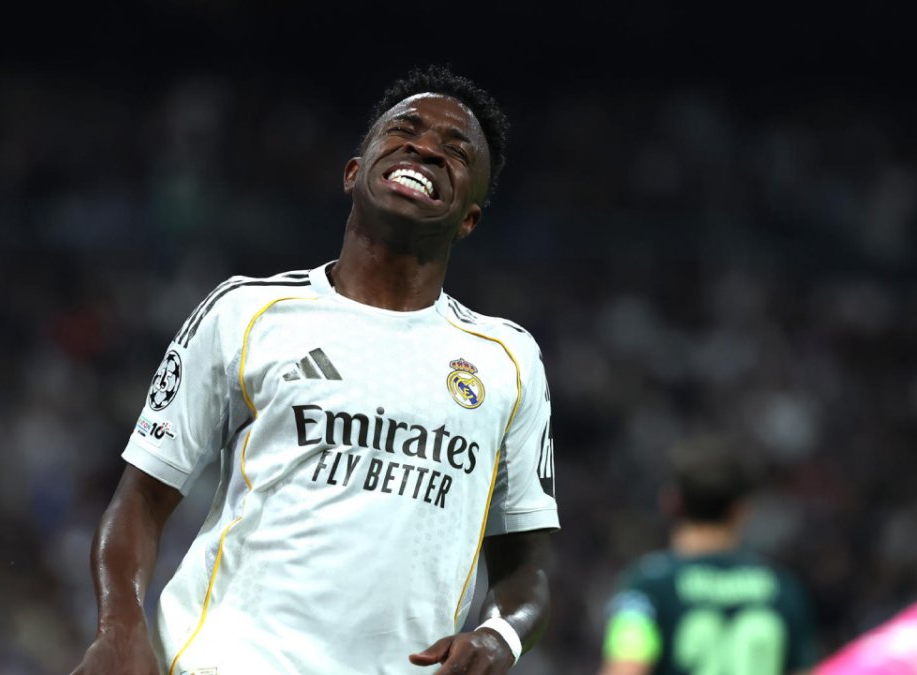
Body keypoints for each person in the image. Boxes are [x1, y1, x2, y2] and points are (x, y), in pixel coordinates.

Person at [71, 65, 559, 675]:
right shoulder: (245, 313)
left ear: (469, 219)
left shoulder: (507, 360)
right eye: (405, 129)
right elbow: (142, 499)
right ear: (354, 173)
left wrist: (500, 637)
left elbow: (526, 570)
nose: (427, 148)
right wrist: (119, 628)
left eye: (456, 151)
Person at [598, 436, 817, 675]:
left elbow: (626, 668)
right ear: (742, 511)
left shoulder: (647, 588)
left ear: (671, 502)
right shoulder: (783, 590)